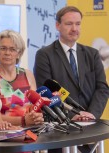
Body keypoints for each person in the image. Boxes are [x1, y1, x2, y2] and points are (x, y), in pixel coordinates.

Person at [33, 6, 109, 152]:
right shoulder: (44, 55)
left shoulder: (92, 54)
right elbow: (46, 93)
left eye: (78, 24)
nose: (74, 28)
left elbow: (102, 89)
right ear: (57, 25)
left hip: (91, 131)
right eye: (69, 24)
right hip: (60, 132)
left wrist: (91, 114)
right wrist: (74, 115)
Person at [0, 30, 44, 127]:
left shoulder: (28, 74)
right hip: (4, 134)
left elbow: (35, 106)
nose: (7, 53)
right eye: (3, 48)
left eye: (12, 49)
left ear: (19, 53)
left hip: (31, 130)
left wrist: (36, 117)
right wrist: (23, 120)